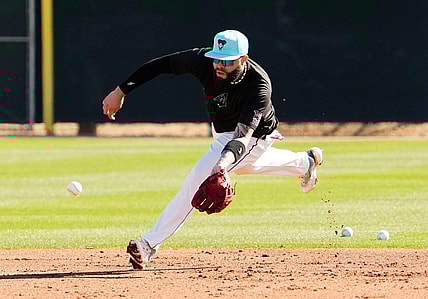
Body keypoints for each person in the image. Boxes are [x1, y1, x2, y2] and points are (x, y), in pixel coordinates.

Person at [102, 29, 323, 270]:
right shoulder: (204, 61)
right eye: (217, 57)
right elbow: (161, 65)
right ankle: (305, 162)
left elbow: (241, 138)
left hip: (254, 136)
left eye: (226, 61)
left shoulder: (259, 86)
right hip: (222, 131)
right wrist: (121, 91)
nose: (219, 64)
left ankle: (148, 245)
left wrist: (221, 165)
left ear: (243, 60)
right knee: (245, 168)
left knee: (200, 178)